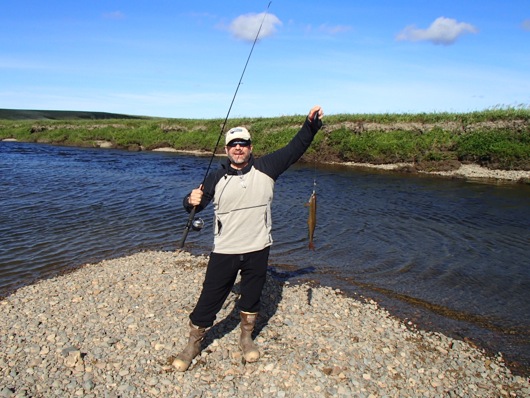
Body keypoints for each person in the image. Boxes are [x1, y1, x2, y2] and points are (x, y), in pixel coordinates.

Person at [172, 105, 324, 372]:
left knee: (252, 296)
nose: (238, 148)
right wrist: (189, 199)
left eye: (243, 144)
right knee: (210, 297)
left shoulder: (268, 168)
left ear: (251, 147)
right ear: (226, 150)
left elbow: (294, 148)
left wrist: (310, 126)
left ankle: (246, 337)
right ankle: (193, 343)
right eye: (233, 144)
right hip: (225, 249)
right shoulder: (216, 176)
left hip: (258, 248)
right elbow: (196, 205)